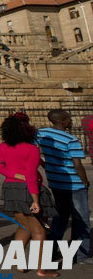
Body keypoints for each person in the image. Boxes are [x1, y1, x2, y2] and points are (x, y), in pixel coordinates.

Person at [0, 116, 58, 277]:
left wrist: (14, 174)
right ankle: (42, 268)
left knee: (23, 227)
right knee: (39, 232)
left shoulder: (2, 147)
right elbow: (30, 176)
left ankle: (17, 260)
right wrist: (36, 200)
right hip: (29, 190)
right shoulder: (32, 149)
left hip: (10, 188)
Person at [35, 109, 91, 264]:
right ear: (63, 121)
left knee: (60, 217)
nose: (71, 121)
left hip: (55, 182)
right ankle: (80, 255)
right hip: (74, 184)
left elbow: (33, 152)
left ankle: (51, 251)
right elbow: (78, 165)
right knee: (81, 220)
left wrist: (45, 165)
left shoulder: (41, 134)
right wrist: (85, 182)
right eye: (69, 119)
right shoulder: (71, 140)